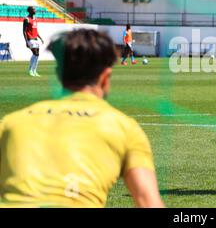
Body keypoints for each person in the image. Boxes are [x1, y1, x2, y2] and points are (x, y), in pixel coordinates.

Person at [0, 29, 164, 208]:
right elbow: (148, 202)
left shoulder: (11, 123)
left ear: (59, 74)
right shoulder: (123, 128)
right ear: (105, 77)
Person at [23, 6, 44, 77]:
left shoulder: (35, 19)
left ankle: (34, 71)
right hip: (30, 39)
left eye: (35, 9)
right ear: (30, 11)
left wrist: (40, 38)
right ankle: (30, 70)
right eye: (33, 9)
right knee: (35, 53)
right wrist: (26, 41)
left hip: (36, 39)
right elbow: (24, 31)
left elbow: (35, 30)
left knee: (37, 55)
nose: (35, 10)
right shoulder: (26, 19)